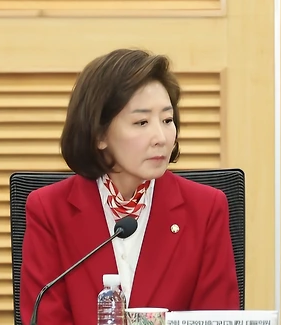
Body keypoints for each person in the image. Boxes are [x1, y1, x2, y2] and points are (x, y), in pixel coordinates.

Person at [20, 48, 239, 324]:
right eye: (142, 122)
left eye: (167, 120)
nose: (161, 137)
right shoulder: (49, 210)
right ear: (99, 134)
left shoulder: (205, 209)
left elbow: (216, 317)